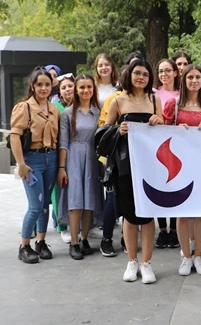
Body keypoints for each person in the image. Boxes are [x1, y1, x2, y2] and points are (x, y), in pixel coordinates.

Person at [105, 59, 163, 283]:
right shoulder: (117, 101)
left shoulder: (154, 100)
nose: (141, 77)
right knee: (129, 214)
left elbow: (163, 132)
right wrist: (118, 131)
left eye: (145, 74)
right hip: (125, 165)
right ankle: (132, 261)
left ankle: (146, 263)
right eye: (137, 73)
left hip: (150, 165)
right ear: (129, 74)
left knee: (147, 214)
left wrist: (159, 120)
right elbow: (104, 132)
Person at [163, 64, 201, 275]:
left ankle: (198, 255)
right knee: (182, 213)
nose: (194, 81)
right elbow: (162, 132)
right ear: (183, 80)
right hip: (179, 165)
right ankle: (186, 255)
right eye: (190, 77)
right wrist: (175, 129)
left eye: (197, 77)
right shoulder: (173, 104)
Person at [11, 67, 60, 264]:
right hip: (33, 161)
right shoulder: (24, 108)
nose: (43, 88)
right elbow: (14, 136)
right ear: (32, 86)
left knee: (45, 203)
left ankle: (41, 241)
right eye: (39, 84)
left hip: (51, 158)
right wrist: (21, 164)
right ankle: (24, 245)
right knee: (35, 206)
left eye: (47, 84)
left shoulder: (54, 109)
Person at [98, 51, 143, 257]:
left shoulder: (148, 100)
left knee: (132, 202)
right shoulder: (114, 99)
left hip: (139, 159)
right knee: (113, 199)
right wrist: (106, 155)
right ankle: (107, 238)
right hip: (117, 157)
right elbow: (104, 129)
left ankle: (127, 239)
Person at [57, 75, 103, 260]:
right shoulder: (68, 113)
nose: (86, 91)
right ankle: (74, 241)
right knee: (75, 201)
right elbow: (63, 142)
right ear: (76, 90)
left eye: (89, 87)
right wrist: (62, 167)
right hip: (74, 157)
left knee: (89, 200)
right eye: (82, 87)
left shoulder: (97, 112)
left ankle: (85, 239)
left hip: (92, 157)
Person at [154, 58, 181, 249]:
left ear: (175, 72)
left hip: (178, 144)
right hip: (157, 144)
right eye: (161, 71)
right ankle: (162, 230)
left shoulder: (181, 94)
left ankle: (174, 230)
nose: (164, 74)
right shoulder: (153, 94)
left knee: (176, 185)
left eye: (167, 70)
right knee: (161, 184)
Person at [52, 74, 75, 244]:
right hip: (59, 153)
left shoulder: (81, 105)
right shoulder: (55, 107)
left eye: (70, 86)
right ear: (59, 92)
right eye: (63, 87)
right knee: (59, 190)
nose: (67, 89)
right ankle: (62, 226)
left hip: (77, 153)